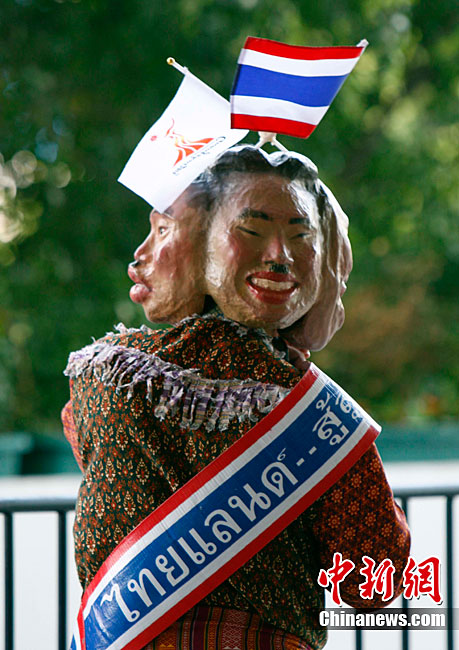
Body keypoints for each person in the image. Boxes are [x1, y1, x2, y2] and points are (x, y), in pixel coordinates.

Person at [63, 145, 410, 650]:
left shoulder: (105, 377)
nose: (279, 255)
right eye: (251, 230)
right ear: (197, 239)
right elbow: (374, 580)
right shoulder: (315, 413)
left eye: (301, 236)